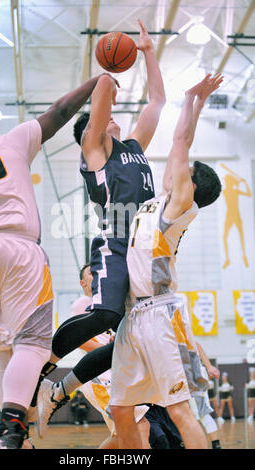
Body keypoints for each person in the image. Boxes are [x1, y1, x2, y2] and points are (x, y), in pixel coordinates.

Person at [0, 72, 113, 449]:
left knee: (2, 346)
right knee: (34, 344)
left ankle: (7, 436)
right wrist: (95, 84)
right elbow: (59, 111)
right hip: (16, 246)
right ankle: (13, 426)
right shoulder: (8, 142)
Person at [37, 18, 166, 426]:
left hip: (145, 250)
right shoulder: (94, 151)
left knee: (131, 339)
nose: (112, 119)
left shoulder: (133, 147)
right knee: (106, 316)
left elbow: (157, 103)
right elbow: (101, 102)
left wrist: (146, 53)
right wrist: (106, 77)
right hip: (115, 243)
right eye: (104, 119)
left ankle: (63, 388)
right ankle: (42, 360)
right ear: (91, 131)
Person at [108, 73, 223, 449]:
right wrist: (192, 99)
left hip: (160, 314)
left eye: (184, 171)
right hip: (133, 317)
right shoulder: (159, 201)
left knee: (179, 411)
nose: (175, 168)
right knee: (122, 410)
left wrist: (194, 102)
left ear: (191, 186)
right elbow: (180, 142)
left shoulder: (180, 208)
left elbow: (180, 140)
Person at [39, 263, 182, 450]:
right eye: (91, 273)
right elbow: (80, 341)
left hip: (117, 374)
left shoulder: (110, 307)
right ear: (83, 282)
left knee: (126, 433)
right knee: (140, 427)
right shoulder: (83, 303)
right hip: (100, 378)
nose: (96, 274)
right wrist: (110, 349)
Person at [190, 343, 222, 449]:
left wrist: (208, 366)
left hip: (193, 374)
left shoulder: (176, 330)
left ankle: (216, 446)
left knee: (202, 414)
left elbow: (195, 344)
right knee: (183, 414)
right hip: (183, 375)